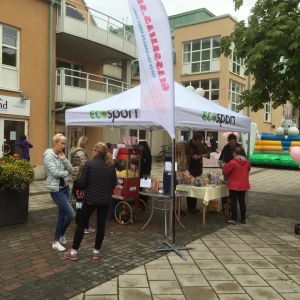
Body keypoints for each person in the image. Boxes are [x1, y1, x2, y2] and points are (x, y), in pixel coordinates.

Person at [64, 142, 117, 261]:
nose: (92, 151)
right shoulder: (111, 165)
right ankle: (96, 251)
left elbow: (82, 184)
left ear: (97, 152)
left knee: (81, 224)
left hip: (90, 200)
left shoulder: (89, 164)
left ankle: (73, 251)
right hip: (105, 201)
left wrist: (76, 181)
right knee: (101, 225)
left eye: (93, 149)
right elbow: (114, 183)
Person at [43, 133, 75, 252]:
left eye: (64, 143)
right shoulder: (48, 156)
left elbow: (71, 169)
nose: (63, 146)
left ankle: (58, 238)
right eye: (61, 143)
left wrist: (65, 160)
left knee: (62, 216)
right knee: (71, 214)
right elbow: (55, 173)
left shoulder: (61, 155)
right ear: (55, 143)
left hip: (66, 187)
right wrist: (67, 173)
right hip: (56, 190)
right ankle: (57, 239)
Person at [221, 146, 251, 224]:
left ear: (236, 153)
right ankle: (243, 218)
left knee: (234, 201)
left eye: (233, 152)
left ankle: (234, 219)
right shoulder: (247, 162)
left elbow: (225, 171)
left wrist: (223, 166)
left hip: (234, 184)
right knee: (242, 201)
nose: (233, 154)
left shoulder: (233, 162)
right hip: (244, 184)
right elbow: (248, 169)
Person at [184, 132, 210, 214]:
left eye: (201, 141)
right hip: (190, 168)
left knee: (196, 187)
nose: (200, 143)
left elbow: (208, 153)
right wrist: (192, 156)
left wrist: (206, 155)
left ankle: (194, 207)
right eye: (199, 141)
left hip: (198, 168)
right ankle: (190, 207)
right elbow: (183, 155)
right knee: (190, 187)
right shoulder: (187, 145)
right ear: (194, 140)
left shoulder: (201, 145)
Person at [72, 163, 95, 234]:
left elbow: (73, 190)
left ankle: (79, 224)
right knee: (86, 214)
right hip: (85, 199)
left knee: (79, 212)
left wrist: (75, 196)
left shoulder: (76, 179)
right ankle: (86, 228)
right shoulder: (86, 179)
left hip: (78, 199)